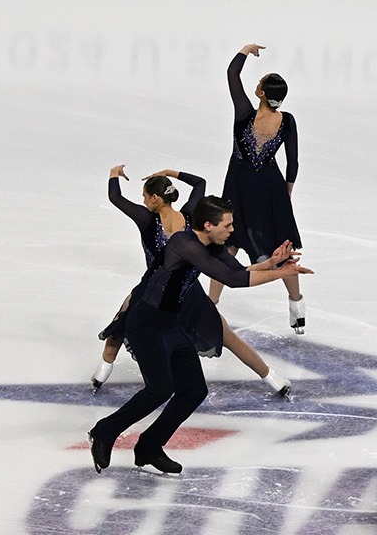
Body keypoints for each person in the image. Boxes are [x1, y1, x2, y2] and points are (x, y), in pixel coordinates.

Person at [88, 196, 311, 475]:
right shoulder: (184, 244)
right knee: (159, 390)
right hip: (146, 324)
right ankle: (103, 432)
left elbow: (237, 271)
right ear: (208, 225)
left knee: (193, 391)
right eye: (227, 225)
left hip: (170, 325)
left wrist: (273, 264)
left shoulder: (211, 244)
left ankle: (148, 447)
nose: (232, 231)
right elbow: (233, 281)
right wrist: (282, 274)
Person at [94, 166, 291, 397]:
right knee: (227, 336)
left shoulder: (146, 219)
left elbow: (114, 197)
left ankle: (101, 374)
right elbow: (200, 183)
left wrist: (114, 173)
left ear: (155, 199)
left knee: (120, 326)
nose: (144, 200)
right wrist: (172, 173)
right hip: (190, 290)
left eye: (145, 197)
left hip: (153, 290)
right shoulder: (190, 216)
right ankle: (272, 378)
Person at [209, 43, 306, 334]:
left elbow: (231, 74)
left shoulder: (244, 114)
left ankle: (210, 305)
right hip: (271, 190)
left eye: (260, 83)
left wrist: (244, 51)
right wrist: (286, 193)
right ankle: (296, 305)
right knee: (282, 247)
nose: (256, 84)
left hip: (238, 188)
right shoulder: (287, 121)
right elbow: (294, 163)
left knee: (227, 244)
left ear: (262, 93)